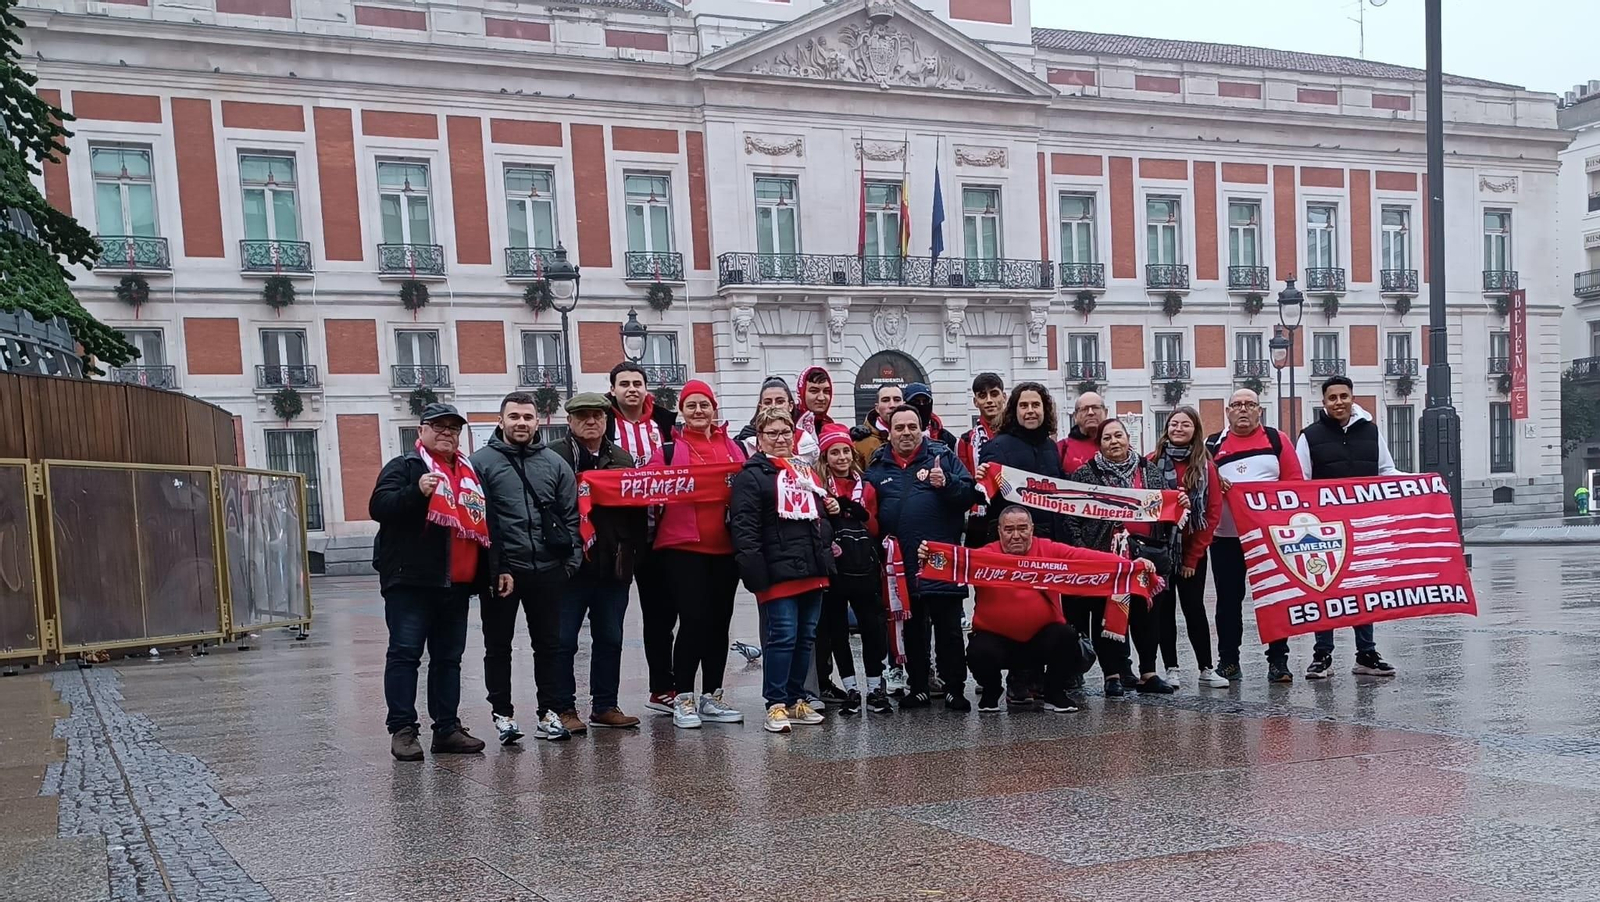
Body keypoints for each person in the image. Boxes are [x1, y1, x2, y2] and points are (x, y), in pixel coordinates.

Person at [922, 506, 1157, 714]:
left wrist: (1130, 565)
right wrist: (927, 555)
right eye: (1009, 529)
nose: (1016, 535)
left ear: (1032, 529)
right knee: (977, 651)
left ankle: (1054, 693)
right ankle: (992, 691)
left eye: (1022, 528)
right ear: (1000, 531)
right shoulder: (985, 556)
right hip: (996, 642)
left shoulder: (1048, 549)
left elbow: (1087, 559)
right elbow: (954, 560)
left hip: (1042, 640)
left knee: (1067, 637)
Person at [369, 402, 491, 760]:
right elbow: (379, 507)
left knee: (448, 659)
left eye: (453, 428)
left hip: (457, 584)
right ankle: (403, 730)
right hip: (412, 581)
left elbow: (485, 525)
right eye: (438, 427)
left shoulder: (470, 474)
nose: (447, 434)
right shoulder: (406, 467)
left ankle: (447, 729)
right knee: (405, 655)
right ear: (421, 430)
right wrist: (416, 492)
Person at [471, 392, 582, 743]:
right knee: (498, 646)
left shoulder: (555, 464)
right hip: (503, 572)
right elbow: (481, 522)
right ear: (501, 421)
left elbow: (571, 517)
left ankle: (548, 712)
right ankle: (502, 713)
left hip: (548, 569)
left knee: (549, 645)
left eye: (527, 417)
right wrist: (494, 569)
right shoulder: (481, 463)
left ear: (538, 422)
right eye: (514, 416)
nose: (521, 423)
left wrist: (569, 565)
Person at [864, 404, 982, 711]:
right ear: (889, 432)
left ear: (923, 428)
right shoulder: (878, 466)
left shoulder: (943, 456)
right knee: (912, 628)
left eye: (912, 427)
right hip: (900, 561)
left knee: (949, 629)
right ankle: (917, 687)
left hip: (941, 557)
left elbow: (971, 495)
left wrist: (948, 484)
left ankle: (954, 687)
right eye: (899, 428)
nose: (906, 433)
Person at [729, 407, 836, 734]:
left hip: (811, 568)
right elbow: (744, 529)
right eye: (772, 433)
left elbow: (820, 520)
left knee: (805, 638)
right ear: (759, 439)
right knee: (783, 637)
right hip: (776, 573)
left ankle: (795, 698)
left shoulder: (806, 471)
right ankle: (775, 703)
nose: (780, 438)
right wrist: (756, 574)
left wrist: (828, 513)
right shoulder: (751, 476)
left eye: (785, 432)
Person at [648, 379, 747, 728]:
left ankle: (713, 696)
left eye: (704, 404)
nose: (699, 411)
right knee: (692, 621)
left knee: (719, 624)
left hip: (725, 548)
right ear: (682, 411)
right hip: (683, 548)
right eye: (691, 405)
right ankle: (683, 697)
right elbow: (642, 487)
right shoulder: (668, 451)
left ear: (714, 409)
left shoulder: (735, 449)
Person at [1065, 417, 1185, 696]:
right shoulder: (1085, 474)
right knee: (1107, 616)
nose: (1114, 441)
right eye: (1107, 438)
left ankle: (1148, 672)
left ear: (1128, 438)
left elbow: (1166, 510)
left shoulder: (1149, 471)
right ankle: (1112, 674)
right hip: (1104, 556)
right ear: (1100, 444)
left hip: (1146, 555)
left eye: (1118, 435)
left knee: (1146, 615)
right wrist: (1086, 549)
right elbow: (1071, 518)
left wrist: (1179, 506)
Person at [549, 392, 648, 729]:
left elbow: (636, 511)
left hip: (612, 562)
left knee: (611, 638)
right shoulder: (554, 457)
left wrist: (633, 552)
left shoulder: (621, 458)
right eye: (583, 416)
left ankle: (605, 705)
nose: (591, 421)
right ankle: (564, 708)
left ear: (607, 420)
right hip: (568, 566)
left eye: (598, 416)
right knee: (563, 641)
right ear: (570, 421)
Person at [1293, 377, 1399, 679]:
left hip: (1363, 525)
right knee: (1323, 588)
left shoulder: (1371, 431)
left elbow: (1386, 471)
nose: (1338, 402)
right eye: (1332, 398)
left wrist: (1418, 484)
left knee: (1363, 589)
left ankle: (1366, 654)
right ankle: (1322, 655)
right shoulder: (1309, 436)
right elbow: (1302, 481)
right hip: (1323, 528)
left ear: (1352, 398)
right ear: (1323, 402)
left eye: (1344, 396)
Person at [1206, 388, 1304, 684]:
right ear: (1228, 412)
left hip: (1269, 536)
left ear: (1259, 410)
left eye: (1250, 404)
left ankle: (1278, 661)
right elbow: (1201, 486)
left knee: (1274, 598)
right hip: (1226, 537)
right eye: (1237, 405)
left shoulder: (1277, 440)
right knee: (1227, 602)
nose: (1243, 410)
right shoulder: (1213, 444)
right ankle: (1229, 661)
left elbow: (1295, 485)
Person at [606, 361, 681, 714]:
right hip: (618, 535)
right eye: (625, 384)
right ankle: (604, 701)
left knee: (660, 614)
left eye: (637, 382)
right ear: (614, 389)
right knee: (609, 621)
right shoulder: (603, 422)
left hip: (658, 532)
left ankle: (662, 687)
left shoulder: (664, 423)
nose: (632, 389)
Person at [813, 425, 893, 716]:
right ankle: (851, 688)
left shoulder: (866, 486)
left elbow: (873, 526)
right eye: (835, 452)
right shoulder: (819, 486)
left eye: (846, 451)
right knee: (837, 631)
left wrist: (855, 512)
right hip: (835, 571)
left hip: (864, 567)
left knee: (873, 628)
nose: (842, 457)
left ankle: (874, 686)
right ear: (825, 456)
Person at [1148, 407, 1227, 689]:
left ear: (1195, 431)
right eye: (1173, 424)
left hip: (1193, 551)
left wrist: (1193, 558)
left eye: (1185, 424)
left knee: (1194, 608)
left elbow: (1213, 513)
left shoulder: (1206, 467)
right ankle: (1171, 668)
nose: (1178, 428)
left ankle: (1206, 667)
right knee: (1164, 610)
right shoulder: (1151, 462)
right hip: (1159, 551)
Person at [957, 373, 1006, 548]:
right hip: (980, 515)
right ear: (975, 402)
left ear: (1004, 397)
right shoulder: (966, 440)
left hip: (1013, 511)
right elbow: (966, 479)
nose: (989, 401)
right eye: (982, 396)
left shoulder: (1017, 434)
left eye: (994, 394)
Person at [737, 376, 819, 463]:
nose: (773, 406)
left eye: (780, 402)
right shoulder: (747, 439)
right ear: (761, 407)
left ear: (790, 406)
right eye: (767, 402)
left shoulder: (805, 441)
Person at [1058, 391, 1106, 474]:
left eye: (1095, 407)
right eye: (1084, 409)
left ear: (1106, 412)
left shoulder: (1117, 445)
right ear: (1075, 416)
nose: (1090, 412)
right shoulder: (1061, 448)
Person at [852, 382, 902, 462]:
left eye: (897, 400)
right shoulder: (862, 444)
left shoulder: (916, 437)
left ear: (904, 404)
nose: (892, 405)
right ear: (877, 408)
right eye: (885, 400)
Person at [904, 382, 960, 448]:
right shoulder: (898, 435)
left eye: (925, 401)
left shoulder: (946, 438)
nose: (921, 405)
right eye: (916, 401)